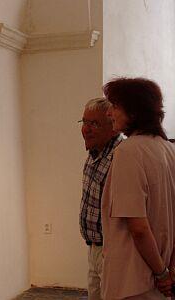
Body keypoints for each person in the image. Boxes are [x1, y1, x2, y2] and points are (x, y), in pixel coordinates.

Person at [101, 78, 175, 299]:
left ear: (133, 112)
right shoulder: (168, 149)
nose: (109, 113)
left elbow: (138, 227)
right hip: (160, 277)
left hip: (132, 282)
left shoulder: (128, 152)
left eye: (114, 106)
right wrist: (168, 269)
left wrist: (161, 274)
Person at [79, 98, 122, 299]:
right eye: (84, 122)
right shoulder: (94, 153)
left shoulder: (120, 157)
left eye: (93, 124)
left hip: (113, 252)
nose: (85, 129)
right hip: (94, 248)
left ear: (113, 127)